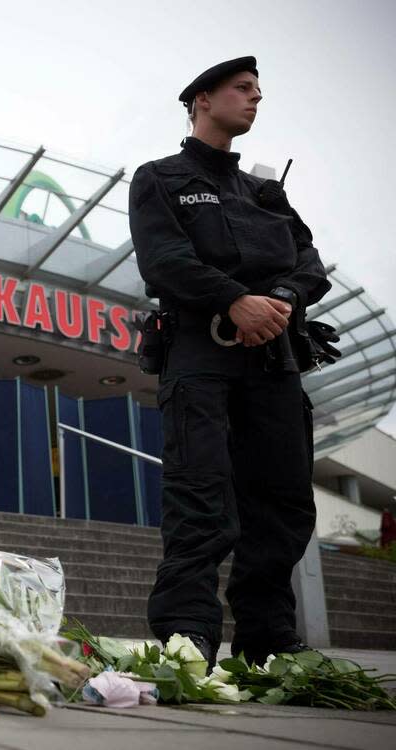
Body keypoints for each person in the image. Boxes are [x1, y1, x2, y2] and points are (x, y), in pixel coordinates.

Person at [128, 57, 331, 669]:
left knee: (283, 500)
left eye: (258, 92)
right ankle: (187, 640)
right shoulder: (159, 178)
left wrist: (280, 303)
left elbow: (310, 264)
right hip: (199, 357)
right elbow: (163, 261)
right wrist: (234, 301)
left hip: (273, 360)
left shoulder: (266, 192)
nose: (255, 99)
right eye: (243, 90)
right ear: (201, 100)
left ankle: (267, 643)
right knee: (200, 495)